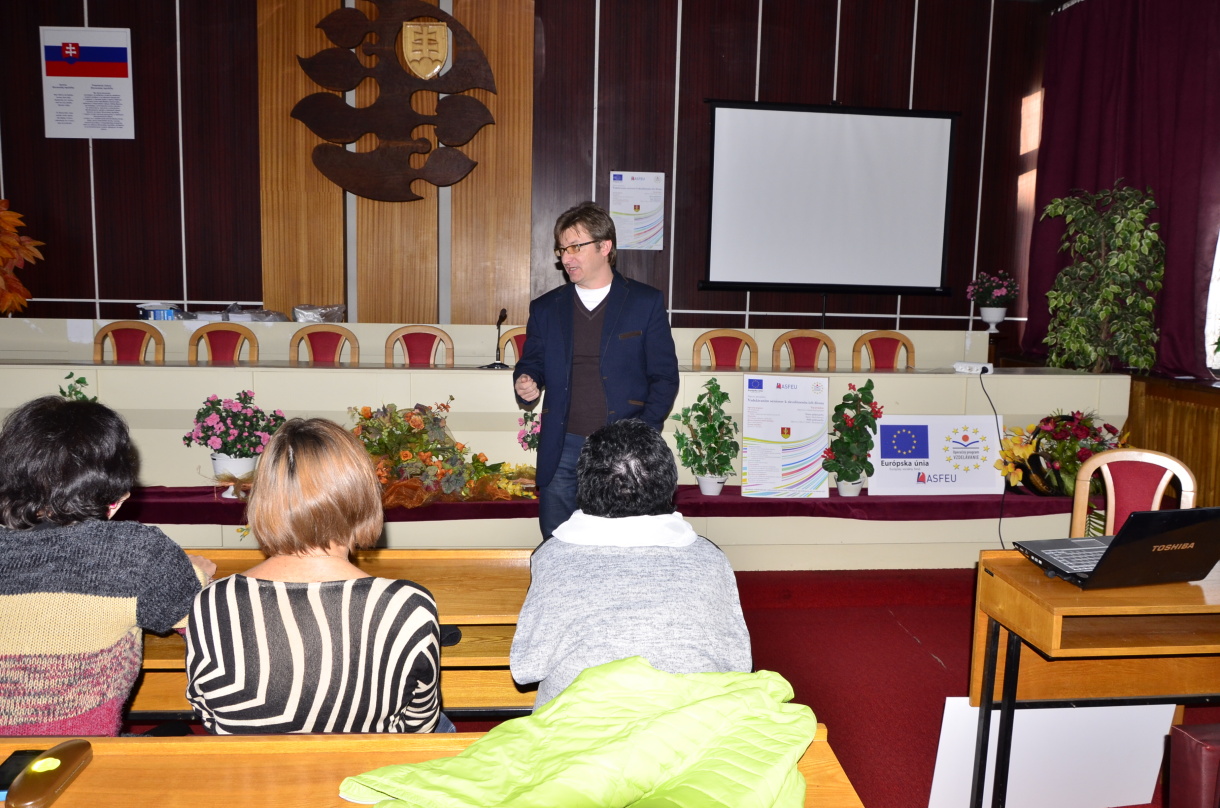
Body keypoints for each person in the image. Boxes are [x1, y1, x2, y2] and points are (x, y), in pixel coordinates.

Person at [185, 418, 448, 734]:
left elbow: (209, 715)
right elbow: (421, 724)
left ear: (264, 498)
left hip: (252, 765)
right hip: (367, 765)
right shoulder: (407, 606)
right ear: (362, 495)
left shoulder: (212, 602)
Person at [0, 396, 215, 736]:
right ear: (115, 494)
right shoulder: (136, 552)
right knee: (178, 734)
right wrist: (196, 573)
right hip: (75, 755)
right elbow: (204, 620)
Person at [509, 418, 753, 708]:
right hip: (690, 722)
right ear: (668, 483)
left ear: (584, 483)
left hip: (581, 725)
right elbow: (739, 662)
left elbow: (528, 665)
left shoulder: (551, 557)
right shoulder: (710, 558)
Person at [513, 201, 679, 540]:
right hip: (563, 446)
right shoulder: (546, 308)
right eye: (562, 249)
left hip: (624, 450)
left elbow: (664, 377)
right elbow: (533, 361)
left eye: (576, 247)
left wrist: (642, 434)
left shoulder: (645, 302)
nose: (566, 257)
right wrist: (526, 380)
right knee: (557, 541)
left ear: (605, 247)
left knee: (621, 544)